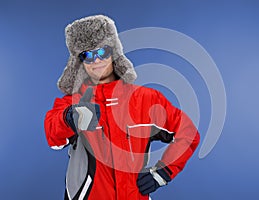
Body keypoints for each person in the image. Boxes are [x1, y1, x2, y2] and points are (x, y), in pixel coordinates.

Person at [44, 14, 200, 200]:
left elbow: (188, 133)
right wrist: (69, 118)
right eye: (88, 55)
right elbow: (53, 137)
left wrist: (162, 173)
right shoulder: (72, 102)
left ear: (113, 52)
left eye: (102, 52)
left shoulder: (146, 100)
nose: (96, 61)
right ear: (80, 61)